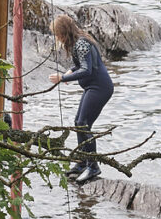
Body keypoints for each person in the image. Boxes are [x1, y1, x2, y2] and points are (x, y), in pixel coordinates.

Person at [43, 14, 115, 184]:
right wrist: (70, 71)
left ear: (63, 33)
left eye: (57, 34)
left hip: (100, 88)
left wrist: (63, 78)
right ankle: (83, 162)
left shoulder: (81, 43)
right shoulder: (79, 41)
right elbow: (81, 65)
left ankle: (93, 165)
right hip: (93, 87)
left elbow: (87, 70)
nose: (57, 38)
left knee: (83, 124)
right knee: (79, 122)